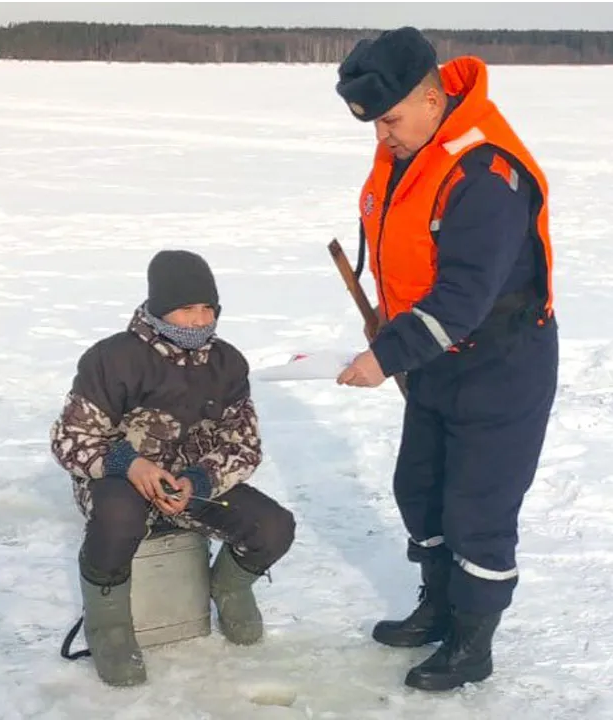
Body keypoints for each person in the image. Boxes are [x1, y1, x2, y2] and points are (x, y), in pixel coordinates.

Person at [333, 27, 559, 692]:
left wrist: (385, 356)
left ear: (432, 100)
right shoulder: (413, 152)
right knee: (421, 491)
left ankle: (471, 642)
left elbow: (461, 297)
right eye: (373, 124)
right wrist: (395, 330)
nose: (382, 137)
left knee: (476, 511)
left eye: (391, 120)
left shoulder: (486, 175)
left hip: (501, 363)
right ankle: (437, 607)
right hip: (436, 358)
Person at [49, 249, 296, 687]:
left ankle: (231, 588)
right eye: (187, 308)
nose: (201, 320)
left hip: (191, 484)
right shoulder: (111, 359)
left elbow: (244, 445)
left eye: (209, 308)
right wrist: (130, 464)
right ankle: (109, 625)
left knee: (274, 526)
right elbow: (70, 439)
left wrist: (200, 479)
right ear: (159, 308)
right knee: (118, 519)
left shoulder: (228, 363)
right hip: (116, 478)